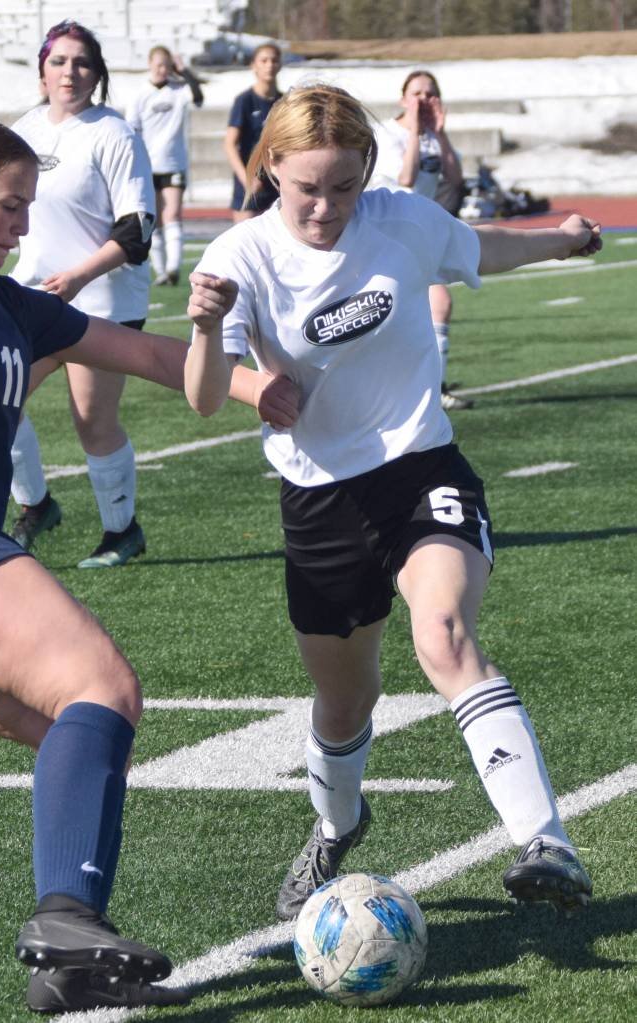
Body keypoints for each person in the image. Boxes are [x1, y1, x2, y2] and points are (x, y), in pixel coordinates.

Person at [0, 114, 288, 1014]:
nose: (24, 225)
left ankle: (69, 952)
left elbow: (147, 354)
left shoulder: (11, 305)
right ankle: (67, 920)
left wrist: (263, 387)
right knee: (101, 684)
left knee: (77, 738)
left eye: (30, 205)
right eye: (9, 205)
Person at [184, 84, 599, 923]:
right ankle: (337, 821)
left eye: (344, 186)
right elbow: (200, 395)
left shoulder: (402, 219)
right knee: (344, 703)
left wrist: (558, 240)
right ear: (270, 168)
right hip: (318, 500)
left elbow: (473, 247)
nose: (327, 206)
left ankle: (546, 840)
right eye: (307, 187)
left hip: (420, 470)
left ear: (367, 171)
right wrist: (224, 355)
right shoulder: (240, 257)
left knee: (443, 633)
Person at [7, 20, 156, 567]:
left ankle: (122, 532)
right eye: (59, 61)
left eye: (82, 63)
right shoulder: (23, 129)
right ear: (43, 68)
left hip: (100, 300)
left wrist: (77, 278)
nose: (70, 72)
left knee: (92, 421)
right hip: (34, 297)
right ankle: (36, 505)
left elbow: (137, 232)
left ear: (98, 74)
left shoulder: (113, 134)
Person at [370, 70, 471, 411]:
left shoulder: (433, 135)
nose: (424, 100)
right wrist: (414, 132)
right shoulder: (386, 132)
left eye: (431, 94)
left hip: (418, 233)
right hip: (386, 231)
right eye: (417, 94)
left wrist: (440, 136)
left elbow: (456, 179)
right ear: (403, 99)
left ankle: (432, 389)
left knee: (438, 305)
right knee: (396, 314)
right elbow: (407, 178)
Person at [127, 45, 203, 286]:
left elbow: (198, 98)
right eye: (158, 65)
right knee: (154, 218)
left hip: (173, 163)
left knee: (173, 214)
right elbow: (132, 131)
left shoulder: (178, 90)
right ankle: (161, 271)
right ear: (150, 64)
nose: (162, 70)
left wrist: (185, 72)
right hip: (148, 165)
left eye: (166, 65)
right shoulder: (140, 94)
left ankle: (173, 268)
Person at [224, 42, 283, 223]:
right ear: (254, 66)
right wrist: (247, 179)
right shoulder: (245, 101)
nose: (269, 65)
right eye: (263, 60)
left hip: (276, 184)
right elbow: (229, 144)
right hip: (250, 185)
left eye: (273, 60)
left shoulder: (284, 102)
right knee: (245, 243)